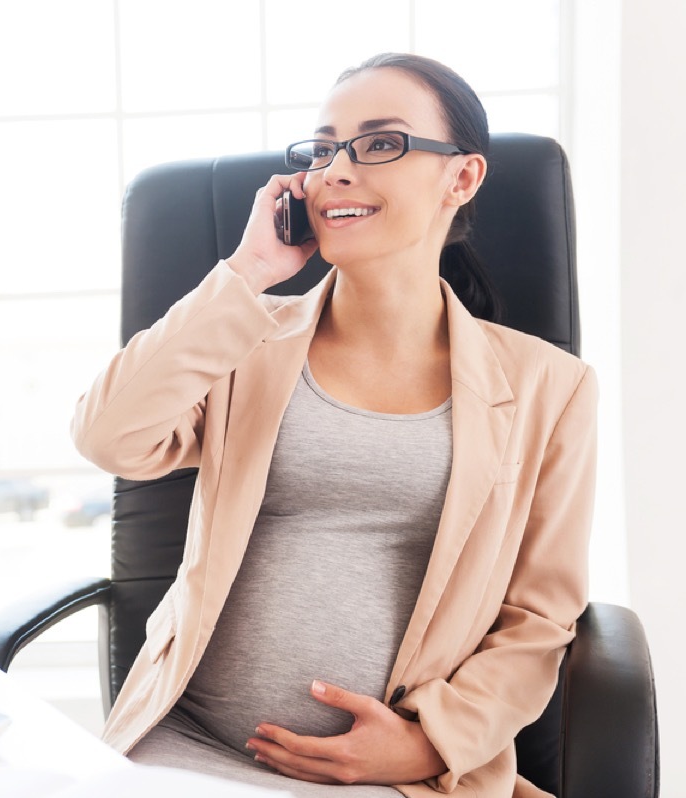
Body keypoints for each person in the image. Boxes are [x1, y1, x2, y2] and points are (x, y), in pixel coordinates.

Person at [70, 53, 596, 798]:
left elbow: (539, 618)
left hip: (399, 776)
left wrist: (425, 745)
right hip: (188, 748)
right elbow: (108, 436)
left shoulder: (551, 386)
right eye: (324, 149)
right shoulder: (246, 337)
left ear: (462, 177)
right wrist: (248, 271)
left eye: (380, 143)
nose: (337, 171)